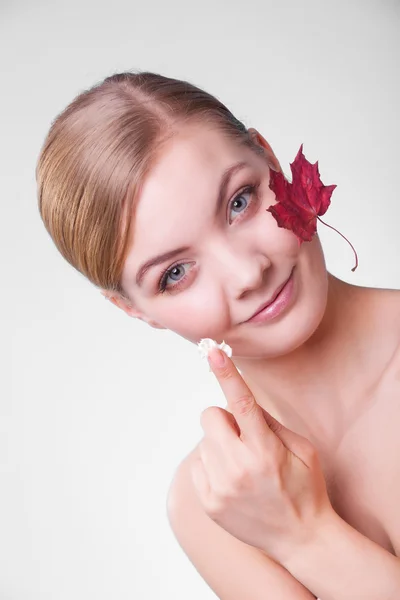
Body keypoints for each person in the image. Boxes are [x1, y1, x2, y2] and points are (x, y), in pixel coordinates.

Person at [36, 70, 400, 599]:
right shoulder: (212, 501)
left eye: (240, 202)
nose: (247, 274)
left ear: (271, 162)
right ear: (135, 311)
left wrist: (305, 540)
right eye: (175, 273)